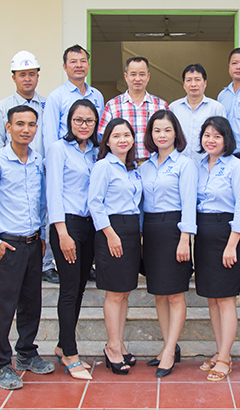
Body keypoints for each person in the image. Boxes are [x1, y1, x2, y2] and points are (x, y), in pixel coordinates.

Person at [0, 105, 55, 390]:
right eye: (20, 124)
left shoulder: (37, 161)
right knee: (3, 308)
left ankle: (26, 353)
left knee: (31, 304)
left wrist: (43, 236)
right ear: (8, 127)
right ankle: (0, 365)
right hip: (7, 246)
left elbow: (42, 202)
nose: (26, 129)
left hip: (33, 244)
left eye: (31, 124)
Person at [0, 50, 58, 284]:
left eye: (31, 74)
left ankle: (45, 264)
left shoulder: (47, 105)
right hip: (13, 171)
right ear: (13, 77)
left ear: (38, 76)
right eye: (22, 74)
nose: (27, 79)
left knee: (44, 215)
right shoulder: (2, 107)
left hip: (41, 170)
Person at [138, 110, 197, 378]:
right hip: (151, 231)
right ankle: (166, 346)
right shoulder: (144, 166)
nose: (162, 135)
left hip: (174, 230)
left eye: (167, 130)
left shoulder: (185, 165)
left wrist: (185, 238)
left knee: (175, 294)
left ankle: (171, 351)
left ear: (176, 133)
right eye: (157, 130)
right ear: (150, 134)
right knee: (159, 293)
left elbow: (189, 204)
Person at [45, 99, 100, 381]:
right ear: (69, 122)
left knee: (79, 289)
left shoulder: (96, 152)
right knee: (68, 289)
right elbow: (53, 191)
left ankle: (61, 344)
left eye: (89, 120)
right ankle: (70, 353)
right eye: (78, 120)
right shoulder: (58, 149)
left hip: (90, 226)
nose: (83, 125)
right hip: (67, 225)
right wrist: (62, 232)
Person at [194, 116, 240, 382]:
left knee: (226, 298)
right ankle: (219, 351)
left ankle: (225, 358)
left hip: (226, 234)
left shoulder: (237, 167)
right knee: (212, 298)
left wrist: (232, 245)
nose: (211, 140)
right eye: (207, 135)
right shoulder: (198, 166)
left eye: (217, 136)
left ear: (226, 139)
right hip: (203, 235)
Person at [87, 118, 143, 375]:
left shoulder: (133, 168)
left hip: (131, 231)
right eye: (116, 135)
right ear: (107, 141)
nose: (122, 139)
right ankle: (111, 346)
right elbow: (95, 203)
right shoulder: (103, 166)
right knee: (114, 294)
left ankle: (119, 343)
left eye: (127, 135)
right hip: (111, 231)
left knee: (125, 292)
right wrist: (110, 234)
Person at [98, 56, 168, 162]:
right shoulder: (112, 105)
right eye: (133, 74)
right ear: (126, 77)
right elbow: (102, 138)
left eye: (142, 74)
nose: (138, 79)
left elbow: (169, 137)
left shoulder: (161, 106)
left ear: (148, 77)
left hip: (154, 164)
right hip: (123, 165)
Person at [43, 45, 105, 149]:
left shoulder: (97, 95)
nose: (79, 65)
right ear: (65, 67)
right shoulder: (56, 97)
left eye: (83, 61)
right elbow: (50, 134)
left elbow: (100, 130)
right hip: (66, 155)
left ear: (88, 65)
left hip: (92, 154)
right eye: (73, 62)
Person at [169, 64, 226, 162]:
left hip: (207, 164)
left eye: (197, 80)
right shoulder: (173, 108)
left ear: (205, 83)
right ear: (184, 84)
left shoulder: (216, 108)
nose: (193, 84)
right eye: (189, 80)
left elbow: (223, 138)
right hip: (178, 164)